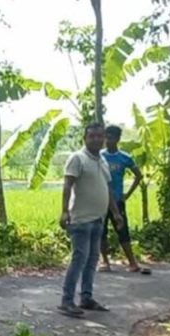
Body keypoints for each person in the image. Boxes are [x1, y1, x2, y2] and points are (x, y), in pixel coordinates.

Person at [59, 123, 124, 317]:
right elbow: (67, 186)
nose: (96, 139)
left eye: (99, 136)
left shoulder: (102, 160)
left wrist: (116, 213)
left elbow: (109, 190)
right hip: (80, 219)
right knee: (79, 259)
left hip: (98, 219)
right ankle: (66, 301)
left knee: (92, 260)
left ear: (103, 138)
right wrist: (64, 211)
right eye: (92, 136)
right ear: (85, 139)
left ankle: (86, 297)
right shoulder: (77, 159)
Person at [100, 125, 150, 274]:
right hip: (101, 200)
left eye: (112, 137)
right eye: (107, 137)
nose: (108, 140)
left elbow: (138, 175)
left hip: (117, 200)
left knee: (122, 231)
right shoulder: (100, 156)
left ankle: (132, 262)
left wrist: (127, 194)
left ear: (118, 139)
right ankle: (105, 261)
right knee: (101, 232)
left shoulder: (124, 157)